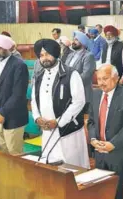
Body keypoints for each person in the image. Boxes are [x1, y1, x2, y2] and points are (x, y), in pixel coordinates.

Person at [31, 39, 89, 168]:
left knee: (71, 169)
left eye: (47, 54)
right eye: (41, 55)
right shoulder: (38, 76)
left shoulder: (71, 74)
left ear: (55, 54)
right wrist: (37, 118)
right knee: (50, 169)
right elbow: (34, 100)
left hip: (68, 132)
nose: (44, 58)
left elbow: (79, 102)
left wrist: (58, 122)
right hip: (47, 130)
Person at [87, 64, 123, 199]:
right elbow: (91, 121)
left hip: (120, 154)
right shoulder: (95, 94)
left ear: (115, 79)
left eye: (105, 78)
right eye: (99, 79)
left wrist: (113, 144)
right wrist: (92, 139)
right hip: (99, 152)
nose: (101, 83)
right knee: (102, 194)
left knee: (118, 197)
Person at [0, 35, 29, 155]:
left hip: (13, 118)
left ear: (6, 48)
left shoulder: (19, 65)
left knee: (14, 155)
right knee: (1, 155)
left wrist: (2, 113)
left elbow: (18, 95)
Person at [65, 31, 96, 113]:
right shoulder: (70, 55)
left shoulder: (88, 56)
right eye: (73, 39)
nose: (73, 42)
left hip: (82, 93)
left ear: (82, 42)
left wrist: (71, 83)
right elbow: (64, 69)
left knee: (82, 120)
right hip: (69, 93)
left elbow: (86, 75)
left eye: (76, 40)